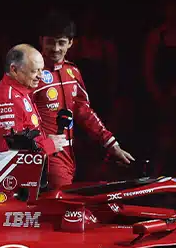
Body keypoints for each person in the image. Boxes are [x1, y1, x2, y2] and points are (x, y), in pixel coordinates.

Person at [32, 12, 134, 189]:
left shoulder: (73, 72)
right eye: (50, 42)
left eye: (61, 42)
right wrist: (42, 146)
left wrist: (111, 144)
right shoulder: (30, 73)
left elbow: (84, 112)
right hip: (46, 157)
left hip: (72, 156)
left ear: (71, 43)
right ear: (41, 40)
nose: (55, 48)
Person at [0, 44, 60, 157]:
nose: (41, 76)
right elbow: (9, 152)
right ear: (14, 70)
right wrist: (49, 145)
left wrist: (45, 140)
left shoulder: (21, 92)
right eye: (34, 71)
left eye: (41, 70)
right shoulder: (7, 100)